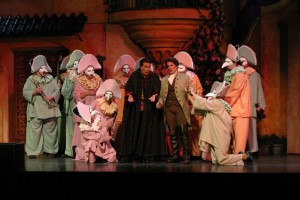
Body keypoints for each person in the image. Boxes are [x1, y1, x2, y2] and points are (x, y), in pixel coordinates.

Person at [116, 57, 168, 163]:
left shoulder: (154, 77)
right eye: (145, 67)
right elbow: (129, 89)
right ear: (140, 67)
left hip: (150, 109)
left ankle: (148, 154)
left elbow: (158, 90)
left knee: (148, 130)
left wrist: (155, 96)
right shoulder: (135, 76)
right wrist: (129, 96)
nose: (147, 69)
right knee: (137, 128)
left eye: (149, 67)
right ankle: (134, 153)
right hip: (136, 108)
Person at [188, 81, 253, 165]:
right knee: (216, 161)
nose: (209, 98)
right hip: (215, 135)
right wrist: (190, 95)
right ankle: (241, 161)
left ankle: (243, 156)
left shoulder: (216, 103)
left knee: (222, 159)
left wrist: (192, 93)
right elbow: (201, 107)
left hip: (220, 135)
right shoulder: (214, 104)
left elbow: (202, 103)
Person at [156, 57, 194, 164]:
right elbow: (162, 95)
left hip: (180, 107)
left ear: (176, 66)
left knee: (183, 131)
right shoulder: (164, 80)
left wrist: (190, 90)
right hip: (168, 108)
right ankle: (175, 154)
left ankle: (186, 155)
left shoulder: (185, 77)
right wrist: (159, 102)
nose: (169, 68)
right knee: (172, 132)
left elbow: (192, 89)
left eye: (171, 65)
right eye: (168, 66)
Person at [23, 55, 62, 158]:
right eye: (41, 68)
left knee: (50, 131)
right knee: (34, 132)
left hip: (49, 108)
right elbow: (25, 92)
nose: (44, 70)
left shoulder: (50, 79)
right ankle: (32, 152)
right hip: (35, 109)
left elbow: (56, 90)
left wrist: (52, 97)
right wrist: (35, 91)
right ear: (36, 69)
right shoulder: (31, 79)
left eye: (45, 67)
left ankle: (50, 151)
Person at [72, 54, 103, 159]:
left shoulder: (98, 79)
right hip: (85, 106)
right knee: (84, 128)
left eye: (93, 70)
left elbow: (102, 92)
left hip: (95, 106)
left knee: (96, 128)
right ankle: (82, 152)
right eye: (89, 70)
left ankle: (95, 152)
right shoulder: (79, 81)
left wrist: (95, 94)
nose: (91, 72)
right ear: (84, 70)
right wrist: (86, 94)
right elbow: (76, 95)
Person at [222, 44, 252, 154]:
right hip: (234, 109)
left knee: (239, 139)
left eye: (228, 61)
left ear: (234, 62)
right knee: (234, 138)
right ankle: (235, 158)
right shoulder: (232, 75)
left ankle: (238, 159)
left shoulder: (239, 74)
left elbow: (235, 92)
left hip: (241, 110)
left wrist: (223, 101)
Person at [174, 51, 204, 159]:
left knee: (194, 131)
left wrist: (193, 96)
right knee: (180, 131)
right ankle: (182, 153)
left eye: (183, 64)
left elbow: (199, 90)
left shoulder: (193, 76)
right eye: (179, 64)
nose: (181, 66)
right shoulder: (174, 77)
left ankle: (195, 153)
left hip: (191, 107)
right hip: (179, 108)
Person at [238, 45, 266, 155]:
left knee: (252, 129)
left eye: (243, 60)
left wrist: (261, 105)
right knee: (242, 129)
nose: (241, 62)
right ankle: (242, 149)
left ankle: (254, 150)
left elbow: (259, 90)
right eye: (240, 61)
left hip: (251, 104)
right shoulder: (239, 74)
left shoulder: (255, 75)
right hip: (241, 105)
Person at [60, 50, 85, 157]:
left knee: (82, 129)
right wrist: (72, 83)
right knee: (70, 130)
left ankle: (82, 151)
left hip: (82, 106)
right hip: (70, 106)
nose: (76, 67)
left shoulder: (86, 76)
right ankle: (70, 151)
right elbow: (64, 92)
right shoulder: (69, 78)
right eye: (75, 64)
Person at [113, 54, 136, 134]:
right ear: (121, 69)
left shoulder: (133, 78)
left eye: (127, 68)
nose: (126, 70)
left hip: (129, 99)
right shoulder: (117, 78)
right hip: (119, 99)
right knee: (119, 118)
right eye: (124, 68)